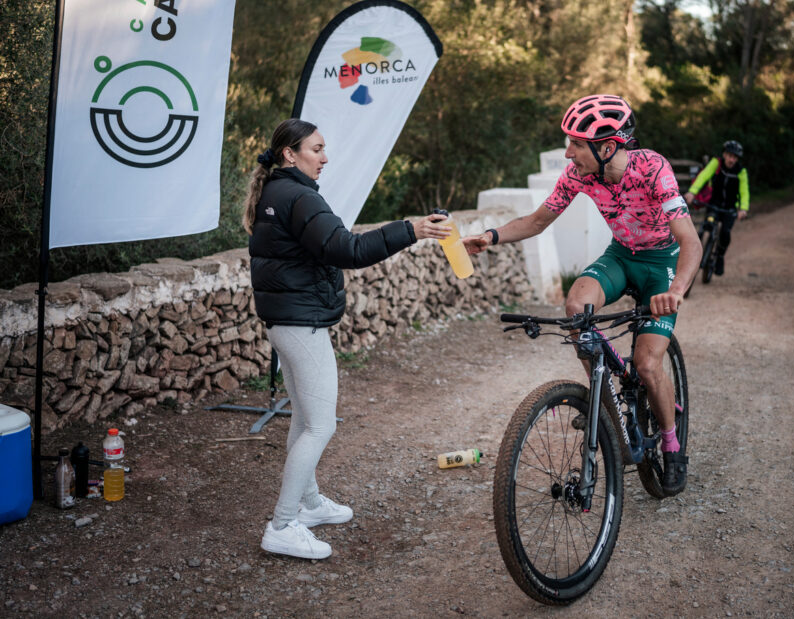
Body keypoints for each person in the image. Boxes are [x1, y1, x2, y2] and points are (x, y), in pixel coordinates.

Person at [464, 95, 701, 495]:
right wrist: (491, 236)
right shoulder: (580, 174)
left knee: (646, 365)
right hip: (621, 255)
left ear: (607, 147)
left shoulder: (653, 169)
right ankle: (604, 400)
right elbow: (538, 220)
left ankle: (672, 444)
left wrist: (676, 291)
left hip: (661, 263)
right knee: (576, 307)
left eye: (575, 143)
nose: (568, 151)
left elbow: (690, 241)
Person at [243, 118, 450, 559]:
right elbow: (348, 250)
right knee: (319, 424)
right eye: (316, 149)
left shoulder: (278, 192)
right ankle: (282, 525)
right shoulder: (297, 195)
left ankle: (309, 503)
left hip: (288, 321)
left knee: (304, 419)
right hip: (301, 324)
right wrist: (411, 229)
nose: (325, 157)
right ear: (289, 155)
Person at [684, 140, 749, 276]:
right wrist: (692, 192)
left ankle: (719, 257)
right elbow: (703, 177)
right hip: (714, 204)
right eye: (730, 156)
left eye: (735, 157)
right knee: (706, 225)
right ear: (724, 154)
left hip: (730, 209)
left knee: (725, 233)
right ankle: (695, 251)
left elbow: (744, 191)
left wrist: (743, 208)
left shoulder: (741, 171)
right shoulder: (716, 163)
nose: (732, 160)